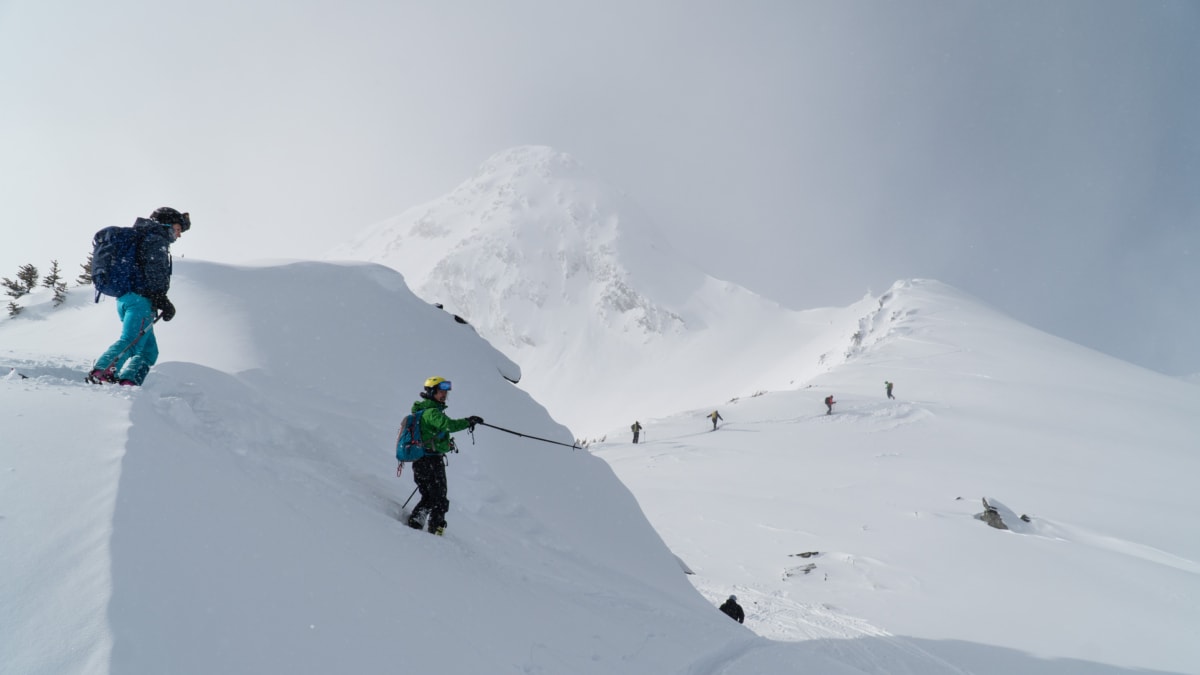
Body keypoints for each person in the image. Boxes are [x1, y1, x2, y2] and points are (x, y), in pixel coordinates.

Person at [88, 207, 189, 386]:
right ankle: (103, 371)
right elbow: (155, 270)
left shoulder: (144, 236)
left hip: (128, 298)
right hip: (139, 300)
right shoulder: (156, 239)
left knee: (149, 351)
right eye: (178, 229)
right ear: (166, 223)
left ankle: (130, 380)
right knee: (131, 340)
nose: (178, 235)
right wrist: (162, 299)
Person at [405, 376, 483, 536]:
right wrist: (468, 421)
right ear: (432, 392)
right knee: (437, 497)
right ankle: (431, 528)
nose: (444, 395)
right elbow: (449, 425)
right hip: (429, 460)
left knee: (432, 495)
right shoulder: (431, 413)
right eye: (440, 391)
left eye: (445, 392)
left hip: (424, 460)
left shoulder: (427, 410)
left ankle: (422, 523)